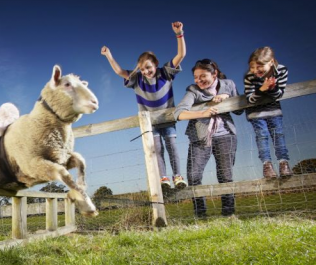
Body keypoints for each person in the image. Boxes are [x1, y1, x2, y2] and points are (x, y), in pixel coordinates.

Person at [101, 22, 187, 191]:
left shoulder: (165, 73)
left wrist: (179, 33)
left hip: (167, 118)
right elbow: (120, 72)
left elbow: (181, 54)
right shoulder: (137, 79)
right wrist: (109, 56)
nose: (146, 71)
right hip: (149, 122)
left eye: (148, 67)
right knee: (157, 149)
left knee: (172, 146)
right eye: (142, 69)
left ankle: (177, 176)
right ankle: (163, 178)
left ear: (155, 64)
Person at [174, 59, 244, 218]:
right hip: (199, 136)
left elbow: (240, 110)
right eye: (196, 77)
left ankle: (228, 214)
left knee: (225, 176)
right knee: (193, 176)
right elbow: (178, 113)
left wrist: (228, 97)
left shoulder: (228, 84)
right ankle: (201, 214)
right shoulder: (193, 91)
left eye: (202, 76)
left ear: (214, 74)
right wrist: (203, 112)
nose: (198, 80)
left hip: (225, 134)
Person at [243, 46, 291, 179]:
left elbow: (279, 94)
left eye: (259, 66)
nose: (255, 70)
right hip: (256, 113)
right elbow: (250, 98)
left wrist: (273, 87)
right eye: (252, 67)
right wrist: (262, 89)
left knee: (278, 135)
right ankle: (267, 165)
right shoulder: (249, 77)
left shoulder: (281, 70)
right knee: (262, 136)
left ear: (271, 62)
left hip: (273, 109)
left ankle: (283, 163)